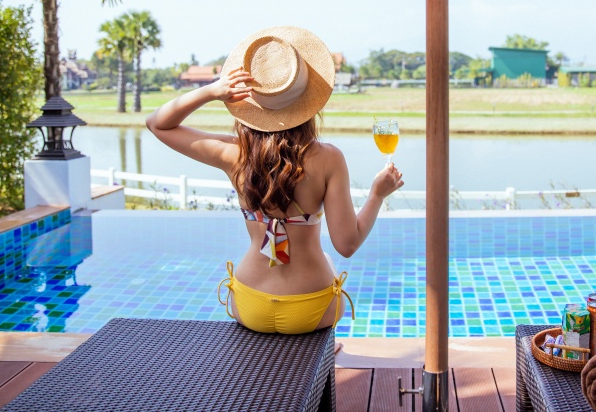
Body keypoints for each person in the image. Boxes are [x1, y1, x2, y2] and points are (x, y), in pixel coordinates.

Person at [146, 26, 403, 335]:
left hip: (249, 302)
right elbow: (346, 244)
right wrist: (377, 194)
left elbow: (158, 124)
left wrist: (212, 91)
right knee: (332, 268)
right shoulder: (328, 159)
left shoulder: (233, 154)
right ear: (309, 104)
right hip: (310, 306)